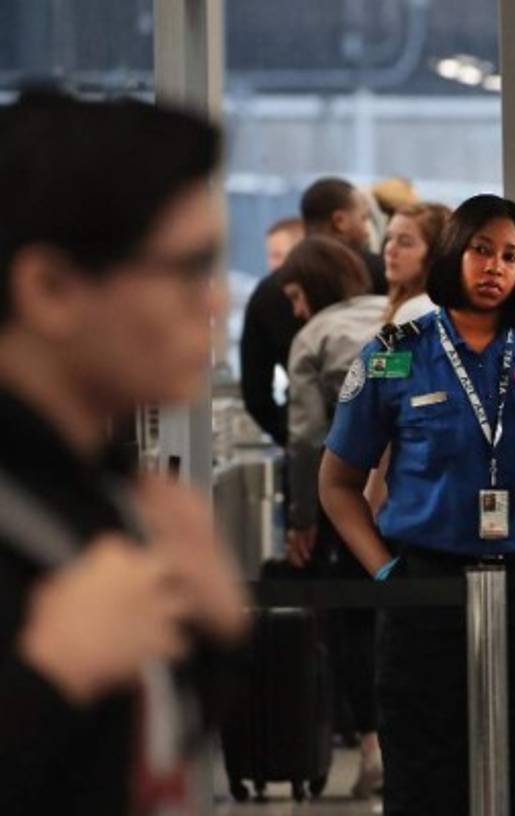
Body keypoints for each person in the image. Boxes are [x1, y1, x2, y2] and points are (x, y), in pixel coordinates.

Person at [0, 89, 248, 815]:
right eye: (187, 269)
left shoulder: (117, 500)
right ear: (50, 289)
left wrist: (221, 637)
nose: (215, 306)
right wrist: (50, 677)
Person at [319, 194, 515, 815]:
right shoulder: (394, 354)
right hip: (427, 584)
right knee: (426, 765)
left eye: (512, 256)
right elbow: (336, 483)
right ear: (453, 253)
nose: (495, 267)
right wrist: (385, 571)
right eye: (481, 250)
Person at [279, 235, 385, 798]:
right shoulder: (409, 317)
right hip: (422, 499)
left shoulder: (313, 336)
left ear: (316, 288)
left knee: (353, 620)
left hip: (351, 500)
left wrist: (302, 518)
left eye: (298, 294)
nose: (296, 308)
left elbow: (305, 438)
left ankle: (372, 748)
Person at [239, 218, 307, 445]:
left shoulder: (265, 297)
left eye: (278, 255)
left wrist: (284, 433)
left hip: (300, 431)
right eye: (270, 256)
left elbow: (255, 393)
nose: (272, 265)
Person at [300, 176, 388, 296]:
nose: (367, 232)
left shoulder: (278, 284)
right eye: (363, 219)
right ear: (340, 221)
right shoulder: (379, 273)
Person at [382, 202, 450, 325]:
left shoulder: (417, 310)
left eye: (405, 242)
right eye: (389, 238)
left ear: (435, 254)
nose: (390, 249)